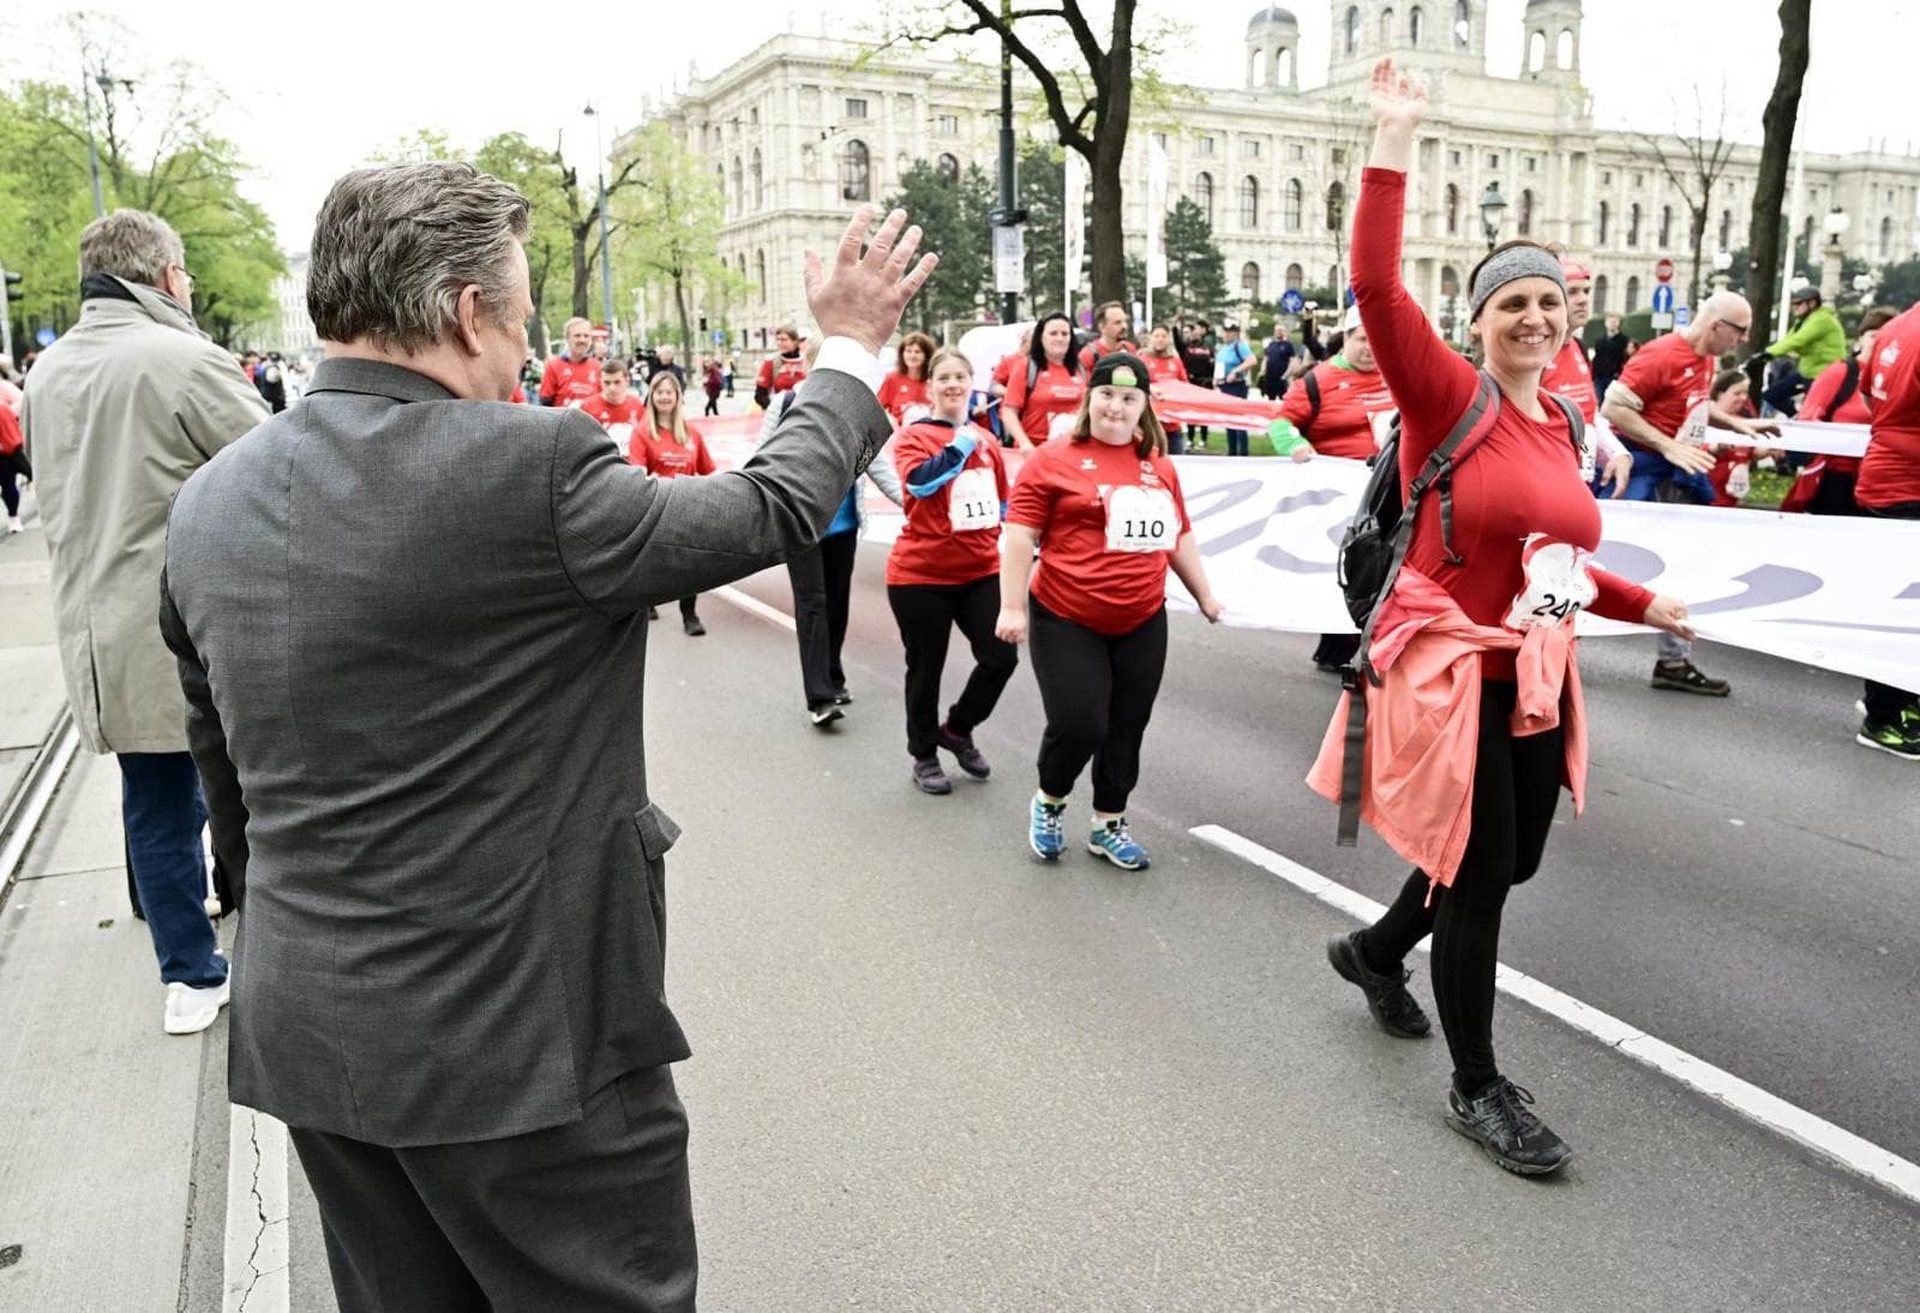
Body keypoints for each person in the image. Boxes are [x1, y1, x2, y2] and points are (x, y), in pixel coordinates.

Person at [159, 172, 935, 1310]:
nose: (525, 353)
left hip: (316, 1034)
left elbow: (223, 775)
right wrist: (853, 349)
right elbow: (769, 506)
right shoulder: (535, 464)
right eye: (522, 318)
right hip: (524, 1046)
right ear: (469, 312)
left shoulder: (208, 502)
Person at [1311, 59, 1699, 1177]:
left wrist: (1638, 600)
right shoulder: (1446, 397)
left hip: (1535, 668)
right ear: (1479, 320)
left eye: (1548, 302)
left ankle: (1377, 948)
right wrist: (1394, 136)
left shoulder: (1564, 426)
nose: (1533, 316)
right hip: (1452, 675)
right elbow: (1380, 289)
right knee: (1480, 874)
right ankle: (1479, 1084)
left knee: (1511, 857)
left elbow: (1556, 555)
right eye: (1510, 302)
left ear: (1570, 319)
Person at [17, 209, 269, 1033]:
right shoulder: (183, 360)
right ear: (163, 275)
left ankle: (175, 941)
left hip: (96, 630)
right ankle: (209, 964)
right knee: (224, 789)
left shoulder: (49, 370)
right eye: (187, 271)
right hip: (185, 625)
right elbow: (274, 470)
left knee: (151, 797)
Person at [995, 352, 1223, 871]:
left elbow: (1178, 534)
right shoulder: (1052, 459)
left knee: (1127, 724)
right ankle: (1050, 801)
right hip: (1066, 614)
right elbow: (1020, 535)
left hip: (1142, 617)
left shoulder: (1159, 465)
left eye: (1128, 398)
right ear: (1088, 398)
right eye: (1106, 395)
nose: (1115, 408)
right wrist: (1012, 607)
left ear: (1144, 405)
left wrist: (1205, 594)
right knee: (1080, 722)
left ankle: (1108, 823)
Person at [1601, 290, 1777, 695]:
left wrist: (1739, 426)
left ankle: (1672, 660)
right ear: (1717, 325)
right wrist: (1667, 445)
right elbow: (1613, 407)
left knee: (1680, 566)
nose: (1745, 339)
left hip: (1679, 476)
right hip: (1651, 474)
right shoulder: (1661, 354)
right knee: (1627, 564)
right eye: (1741, 330)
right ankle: (1566, 640)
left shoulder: (1707, 358)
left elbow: (1693, 403)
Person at [887, 347, 1019, 793]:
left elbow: (1002, 502)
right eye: (943, 378)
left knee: (1001, 656)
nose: (953, 385)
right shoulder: (914, 436)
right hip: (921, 576)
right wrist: (959, 445)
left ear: (971, 383)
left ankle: (957, 730)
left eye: (960, 376)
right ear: (930, 388)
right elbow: (919, 483)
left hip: (980, 570)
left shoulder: (988, 440)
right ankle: (923, 754)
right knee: (926, 667)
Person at [778, 337, 906, 725]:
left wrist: (913, 503)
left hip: (844, 522)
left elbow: (877, 464)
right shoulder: (788, 403)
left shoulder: (854, 406)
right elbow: (765, 454)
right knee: (813, 603)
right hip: (802, 521)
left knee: (837, 602)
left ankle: (833, 675)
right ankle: (819, 697)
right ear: (810, 365)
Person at [1271, 304, 1398, 672]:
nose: (1370, 348)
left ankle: (1378, 645)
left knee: (1387, 571)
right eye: (1361, 339)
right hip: (1338, 500)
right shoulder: (1318, 380)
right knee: (1350, 570)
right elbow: (1280, 423)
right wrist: (1294, 446)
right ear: (1346, 338)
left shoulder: (1397, 375)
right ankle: (1336, 648)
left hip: (1391, 494)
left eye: (1377, 341)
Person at [1851, 299, 1920, 758]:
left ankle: (1898, 702)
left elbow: (1867, 393)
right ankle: (1883, 717)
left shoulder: (1898, 327)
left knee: (1899, 606)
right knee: (1902, 612)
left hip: (1886, 478)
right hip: (1908, 484)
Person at [628, 369, 718, 635]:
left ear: (678, 396)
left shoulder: (692, 433)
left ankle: (689, 615)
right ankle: (649, 602)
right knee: (654, 562)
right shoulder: (642, 432)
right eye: (659, 392)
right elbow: (637, 471)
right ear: (652, 396)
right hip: (655, 507)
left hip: (686, 507)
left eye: (669, 392)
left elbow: (708, 471)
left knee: (689, 566)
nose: (664, 397)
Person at [1782, 305, 1894, 515]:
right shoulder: (1841, 372)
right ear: (1860, 339)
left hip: (1879, 476)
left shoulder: (1895, 377)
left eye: (1886, 337)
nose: (1878, 342)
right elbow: (1809, 416)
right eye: (1873, 336)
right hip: (1835, 476)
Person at [1539, 257, 1632, 497]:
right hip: (1545, 488)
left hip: (1580, 483)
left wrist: (1617, 453)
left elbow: (1588, 419)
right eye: (1572, 292)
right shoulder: (1534, 355)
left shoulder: (1578, 348)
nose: (1583, 300)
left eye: (1586, 291)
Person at [999, 311, 1084, 451]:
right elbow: (1008, 412)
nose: (1060, 338)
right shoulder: (1026, 367)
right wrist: (1024, 443)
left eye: (1065, 334)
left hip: (1070, 450)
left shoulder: (1079, 370)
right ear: (1041, 337)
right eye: (1053, 333)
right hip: (1034, 449)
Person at [1761, 286, 1847, 416]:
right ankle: (1796, 417)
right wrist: (1764, 354)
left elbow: (1798, 340)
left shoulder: (1822, 319)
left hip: (1823, 373)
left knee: (1814, 412)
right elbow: (1788, 340)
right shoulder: (1802, 322)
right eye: (1793, 304)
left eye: (1799, 303)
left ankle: (1802, 420)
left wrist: (1767, 354)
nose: (1794, 307)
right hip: (1808, 372)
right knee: (1771, 395)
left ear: (1812, 303)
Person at [1140, 323, 1189, 454]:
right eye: (1156, 336)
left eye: (1163, 336)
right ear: (1151, 338)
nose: (1160, 339)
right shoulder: (1143, 360)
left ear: (1168, 339)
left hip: (1173, 425)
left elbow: (1185, 387)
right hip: (1150, 425)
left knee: (1179, 463)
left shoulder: (1175, 361)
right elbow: (1137, 385)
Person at [538, 317, 600, 406]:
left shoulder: (598, 367)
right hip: (561, 418)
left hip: (592, 419)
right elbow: (545, 401)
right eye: (577, 336)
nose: (582, 340)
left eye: (586, 336)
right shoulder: (553, 366)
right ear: (567, 338)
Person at [878, 330, 935, 426]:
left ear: (927, 356)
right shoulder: (892, 379)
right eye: (908, 351)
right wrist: (891, 420)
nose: (912, 356)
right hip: (900, 434)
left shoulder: (934, 380)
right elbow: (879, 409)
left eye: (918, 352)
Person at [1215, 321, 1256, 455]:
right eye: (1225, 331)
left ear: (1236, 333)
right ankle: (1232, 452)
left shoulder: (1240, 346)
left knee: (1239, 421)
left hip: (1237, 385)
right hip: (1224, 385)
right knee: (1229, 421)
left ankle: (1243, 452)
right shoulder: (1223, 349)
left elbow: (1251, 361)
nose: (1227, 334)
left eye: (1230, 331)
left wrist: (1236, 371)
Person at [1180, 322, 1215, 450]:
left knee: (1204, 413)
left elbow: (1213, 363)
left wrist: (1212, 379)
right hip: (1191, 382)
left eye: (1196, 333)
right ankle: (1190, 438)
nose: (1194, 336)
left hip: (1205, 383)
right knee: (1191, 413)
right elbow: (1178, 341)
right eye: (1192, 333)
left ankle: (1204, 438)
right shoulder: (1187, 348)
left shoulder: (1208, 346)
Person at [754, 325, 808, 408]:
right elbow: (760, 396)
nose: (779, 343)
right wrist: (776, 409)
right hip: (781, 413)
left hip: (805, 412)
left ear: (795, 341)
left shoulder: (808, 360)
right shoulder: (771, 362)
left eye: (783, 340)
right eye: (777, 339)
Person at [1077, 301, 1136, 372]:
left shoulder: (1130, 350)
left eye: (1125, 321)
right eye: (1117, 322)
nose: (1124, 326)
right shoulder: (1088, 355)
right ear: (1102, 327)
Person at [1589, 312, 1629, 402]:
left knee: (1611, 402)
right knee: (1598, 401)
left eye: (1614, 322)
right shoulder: (1600, 341)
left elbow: (1625, 358)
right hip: (1599, 377)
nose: (1612, 324)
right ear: (1605, 324)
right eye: (1610, 322)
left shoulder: (1624, 340)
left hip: (1614, 377)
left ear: (1618, 323)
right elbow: (1597, 358)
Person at [1261, 322, 1296, 400]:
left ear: (1284, 332)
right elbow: (1265, 359)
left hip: (1282, 378)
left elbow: (1292, 362)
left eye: (1280, 330)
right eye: (1276, 330)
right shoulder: (1271, 344)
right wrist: (1263, 371)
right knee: (1270, 400)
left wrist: (1285, 376)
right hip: (1270, 378)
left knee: (1283, 400)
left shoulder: (1288, 345)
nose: (1278, 332)